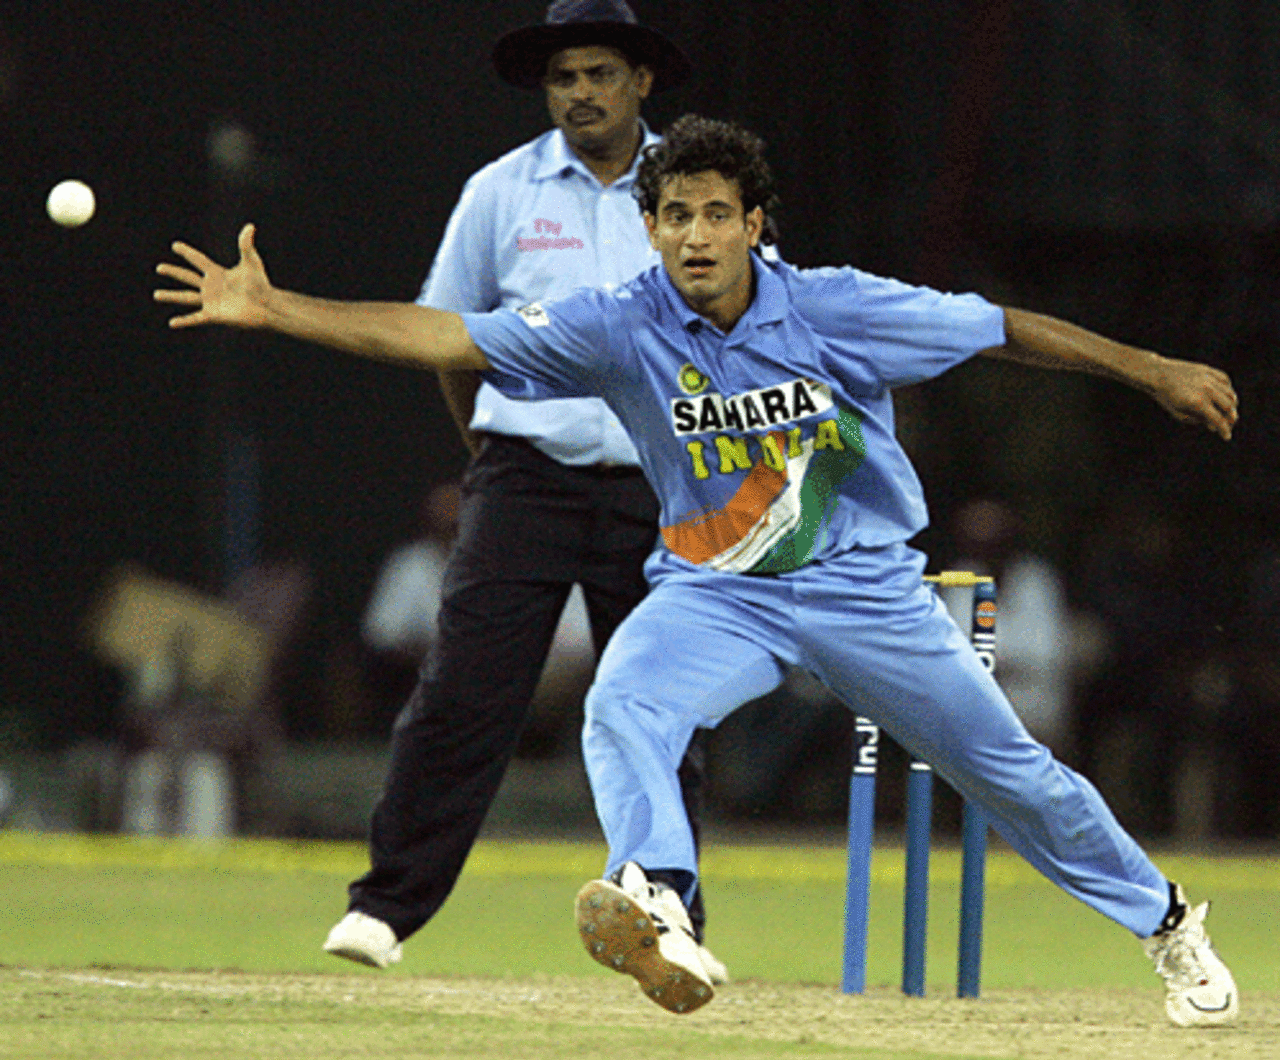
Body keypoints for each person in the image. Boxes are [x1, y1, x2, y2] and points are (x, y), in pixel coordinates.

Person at [154, 114, 1240, 1028]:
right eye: (674, 214)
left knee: (1009, 775)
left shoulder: (830, 306)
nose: (695, 234)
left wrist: (1149, 369)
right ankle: (657, 899)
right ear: (649, 227)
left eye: (717, 212)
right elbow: (450, 336)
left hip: (861, 588)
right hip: (716, 592)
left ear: (753, 225)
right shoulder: (620, 325)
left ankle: (1166, 923)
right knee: (623, 698)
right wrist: (279, 307)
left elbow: (1000, 329)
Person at [324, 1, 727, 979]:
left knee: (657, 704)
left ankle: (664, 909)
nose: (579, 92)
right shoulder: (499, 192)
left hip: (664, 482)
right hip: (525, 475)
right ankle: (385, 908)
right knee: (462, 692)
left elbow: (750, 329)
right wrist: (486, 452)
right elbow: (444, 337)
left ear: (640, 83)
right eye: (562, 78)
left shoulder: (702, 189)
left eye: (598, 73)